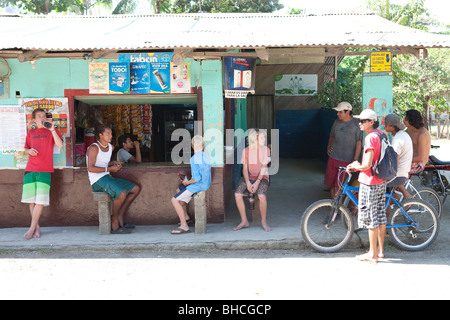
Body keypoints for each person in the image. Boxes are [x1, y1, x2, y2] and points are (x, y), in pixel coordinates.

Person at [347, 109, 387, 263]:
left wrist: (355, 165)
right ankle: (381, 251)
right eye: (360, 121)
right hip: (381, 180)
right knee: (380, 217)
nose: (360, 123)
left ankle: (372, 254)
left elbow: (367, 164)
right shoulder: (381, 134)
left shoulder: (370, 138)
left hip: (369, 182)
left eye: (363, 121)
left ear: (371, 122)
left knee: (371, 219)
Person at [86, 124, 141, 234]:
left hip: (107, 177)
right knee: (122, 193)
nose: (111, 136)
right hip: (97, 181)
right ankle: (115, 221)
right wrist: (109, 168)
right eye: (108, 134)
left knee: (135, 189)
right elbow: (91, 168)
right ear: (101, 135)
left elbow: (103, 162)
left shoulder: (110, 147)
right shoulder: (93, 148)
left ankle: (120, 214)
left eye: (111, 134)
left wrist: (112, 163)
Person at [21, 108, 64, 239]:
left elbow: (60, 145)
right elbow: (25, 150)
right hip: (30, 169)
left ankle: (32, 228)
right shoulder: (31, 132)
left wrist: (52, 129)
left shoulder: (52, 130)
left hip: (45, 170)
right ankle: (37, 227)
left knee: (40, 202)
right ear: (34, 119)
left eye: (44, 116)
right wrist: (29, 151)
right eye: (40, 116)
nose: (42, 118)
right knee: (31, 201)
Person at [171, 135, 212, 235]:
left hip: (198, 185)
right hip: (205, 184)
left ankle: (184, 226)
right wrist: (188, 181)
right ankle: (186, 217)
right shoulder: (206, 156)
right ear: (203, 146)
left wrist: (187, 182)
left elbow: (197, 179)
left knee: (174, 200)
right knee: (178, 190)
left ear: (192, 146)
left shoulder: (194, 158)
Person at [233, 129, 272, 232]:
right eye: (262, 137)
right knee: (237, 194)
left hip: (262, 178)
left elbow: (264, 167)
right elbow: (245, 169)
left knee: (261, 195)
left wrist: (257, 182)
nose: (265, 139)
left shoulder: (266, 150)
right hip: (249, 178)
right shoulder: (245, 151)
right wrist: (248, 182)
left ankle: (264, 222)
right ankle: (244, 221)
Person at [326, 102, 362, 199]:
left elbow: (359, 143)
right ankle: (335, 206)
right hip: (333, 157)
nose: (338, 114)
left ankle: (336, 208)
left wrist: (355, 159)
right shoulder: (336, 122)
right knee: (332, 184)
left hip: (346, 160)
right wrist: (329, 146)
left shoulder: (356, 124)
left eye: (340, 112)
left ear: (348, 112)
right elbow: (331, 135)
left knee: (339, 185)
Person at [384, 113, 413, 206]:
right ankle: (393, 212)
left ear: (392, 127)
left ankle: (387, 218)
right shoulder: (404, 135)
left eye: (386, 124)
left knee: (379, 187)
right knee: (388, 197)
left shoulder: (397, 140)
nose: (384, 126)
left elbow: (394, 162)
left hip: (398, 174)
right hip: (403, 171)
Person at [404, 109, 431, 174]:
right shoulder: (409, 129)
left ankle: (402, 184)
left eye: (405, 119)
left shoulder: (422, 135)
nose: (403, 120)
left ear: (411, 121)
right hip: (410, 160)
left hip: (419, 163)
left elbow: (420, 158)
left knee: (399, 171)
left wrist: (403, 159)